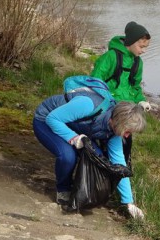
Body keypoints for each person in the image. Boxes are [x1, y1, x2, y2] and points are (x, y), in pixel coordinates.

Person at [32, 80, 147, 219]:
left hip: (72, 126)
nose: (128, 136)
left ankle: (79, 189)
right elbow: (53, 119)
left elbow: (119, 164)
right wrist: (74, 139)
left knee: (97, 158)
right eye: (128, 131)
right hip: (46, 121)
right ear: (119, 122)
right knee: (68, 156)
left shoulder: (114, 131)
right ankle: (63, 189)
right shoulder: (88, 105)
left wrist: (129, 203)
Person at [91, 21, 152, 167]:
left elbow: (135, 86)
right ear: (130, 42)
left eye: (145, 47)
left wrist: (141, 100)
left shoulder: (138, 63)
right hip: (108, 107)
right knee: (108, 139)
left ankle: (121, 169)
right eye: (141, 46)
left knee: (126, 141)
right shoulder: (111, 57)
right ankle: (101, 167)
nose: (143, 51)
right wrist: (106, 100)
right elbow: (94, 82)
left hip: (127, 109)